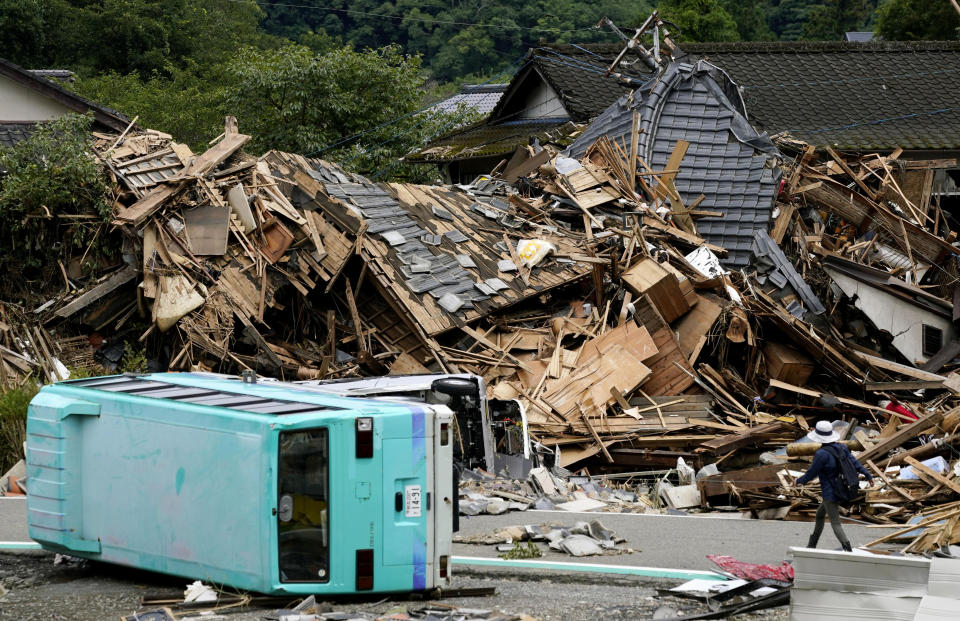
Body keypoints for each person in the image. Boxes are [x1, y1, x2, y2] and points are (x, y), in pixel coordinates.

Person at [795, 420, 874, 552]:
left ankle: (847, 549)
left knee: (835, 523)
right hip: (843, 488)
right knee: (820, 515)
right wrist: (868, 475)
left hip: (830, 493)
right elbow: (855, 462)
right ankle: (811, 545)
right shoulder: (842, 448)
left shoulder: (821, 454)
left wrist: (799, 481)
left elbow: (811, 473)